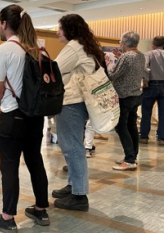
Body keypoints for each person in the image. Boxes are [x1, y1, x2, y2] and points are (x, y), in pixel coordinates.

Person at [0, 5, 49, 233]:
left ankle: (7, 217)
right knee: (35, 161)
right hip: (35, 117)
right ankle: (41, 209)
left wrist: (4, 105)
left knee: (9, 166)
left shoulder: (4, 50)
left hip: (13, 116)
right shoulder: (38, 50)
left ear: (3, 23)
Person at [51, 14, 104, 212]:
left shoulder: (74, 47)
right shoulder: (85, 45)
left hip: (72, 103)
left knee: (72, 147)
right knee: (74, 145)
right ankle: (74, 185)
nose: (57, 32)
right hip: (80, 103)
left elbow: (54, 69)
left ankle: (79, 195)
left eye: (60, 28)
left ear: (69, 29)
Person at [109, 31, 146, 171]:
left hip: (124, 96)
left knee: (120, 127)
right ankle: (132, 156)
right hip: (136, 94)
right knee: (131, 126)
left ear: (124, 43)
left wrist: (110, 64)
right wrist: (120, 58)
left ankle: (130, 159)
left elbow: (113, 75)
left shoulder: (126, 57)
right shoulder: (141, 55)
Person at [139, 36, 164, 145]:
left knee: (146, 112)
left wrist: (145, 80)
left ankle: (144, 136)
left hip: (151, 85)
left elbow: (144, 67)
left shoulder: (149, 54)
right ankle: (162, 137)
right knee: (163, 113)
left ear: (153, 44)